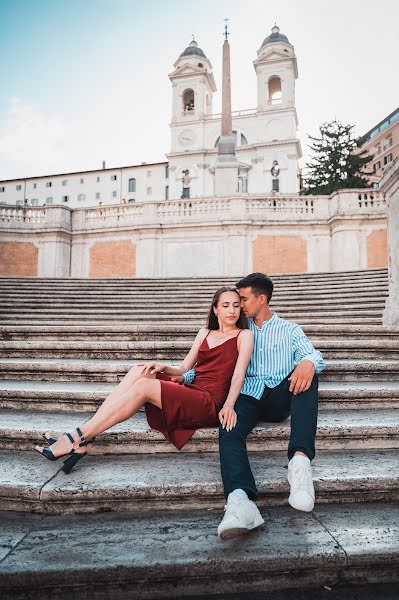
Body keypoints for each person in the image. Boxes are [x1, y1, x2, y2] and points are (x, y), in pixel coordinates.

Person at [34, 287, 254, 475]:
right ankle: (83, 438)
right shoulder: (204, 333)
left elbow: (238, 374)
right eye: (225, 305)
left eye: (236, 305)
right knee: (141, 370)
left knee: (143, 386)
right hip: (193, 390)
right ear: (215, 309)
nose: (232, 310)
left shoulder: (244, 335)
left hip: (210, 402)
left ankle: (75, 437)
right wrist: (162, 367)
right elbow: (184, 369)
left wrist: (228, 406)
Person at [183, 272, 325, 540]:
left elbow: (312, 353)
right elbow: (207, 367)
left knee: (309, 375)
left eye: (243, 300)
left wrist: (308, 363)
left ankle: (300, 464)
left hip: (279, 395)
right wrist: (180, 377)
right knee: (229, 426)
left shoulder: (289, 329)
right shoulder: (236, 330)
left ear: (262, 299)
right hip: (247, 394)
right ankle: (240, 500)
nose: (238, 305)